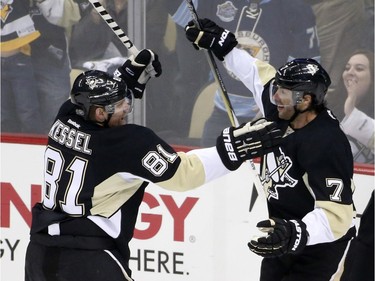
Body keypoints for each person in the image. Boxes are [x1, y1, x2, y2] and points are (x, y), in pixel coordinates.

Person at [24, 49, 283, 281]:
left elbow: (95, 107)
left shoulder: (65, 117)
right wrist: (235, 148)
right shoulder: (127, 142)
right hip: (88, 261)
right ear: (100, 113)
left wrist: (124, 78)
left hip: (39, 253)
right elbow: (185, 174)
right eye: (119, 105)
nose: (126, 108)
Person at [185, 18, 356, 280]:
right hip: (282, 236)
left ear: (306, 99)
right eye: (278, 88)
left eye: (284, 92)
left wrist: (295, 232)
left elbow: (338, 216)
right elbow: (256, 73)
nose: (275, 97)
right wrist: (224, 46)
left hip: (321, 249)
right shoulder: (282, 109)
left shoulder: (326, 143)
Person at [172, 0, 320, 146]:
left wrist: (280, 103)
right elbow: (183, 14)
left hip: (273, 117)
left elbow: (307, 72)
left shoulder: (296, 8)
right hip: (223, 113)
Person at [30, 0, 81, 134]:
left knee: (54, 125)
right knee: (12, 121)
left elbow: (74, 15)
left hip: (51, 58)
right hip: (11, 58)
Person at [1, 0, 43, 134]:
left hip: (19, 58)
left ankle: (33, 151)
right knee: (3, 114)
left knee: (28, 112)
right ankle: (6, 153)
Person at [339, 50, 374, 164]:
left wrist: (352, 112)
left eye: (359, 69)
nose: (350, 72)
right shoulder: (327, 108)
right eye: (347, 68)